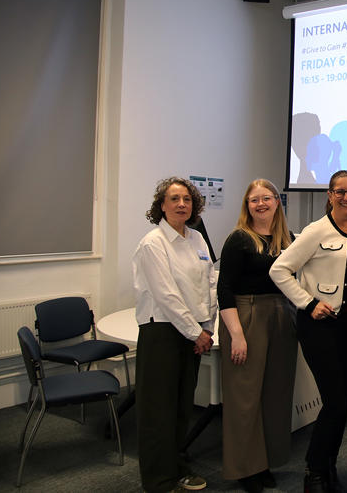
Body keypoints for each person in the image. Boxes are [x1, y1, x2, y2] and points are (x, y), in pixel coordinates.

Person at [269, 169, 347, 493]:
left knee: (342, 398)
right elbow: (280, 270)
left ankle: (328, 464)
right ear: (329, 195)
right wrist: (308, 302)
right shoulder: (315, 231)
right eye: (339, 191)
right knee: (335, 400)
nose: (346, 197)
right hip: (322, 326)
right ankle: (314, 470)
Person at [132, 176, 217, 493]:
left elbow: (209, 284)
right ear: (162, 206)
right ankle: (158, 480)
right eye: (174, 199)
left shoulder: (196, 239)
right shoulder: (153, 243)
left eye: (187, 200)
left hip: (193, 331)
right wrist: (197, 332)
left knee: (182, 406)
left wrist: (207, 328)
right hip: (162, 333)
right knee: (158, 410)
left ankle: (178, 467)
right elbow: (167, 296)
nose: (182, 204)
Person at [217, 180, 296, 492]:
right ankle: (245, 468)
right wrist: (236, 335)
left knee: (275, 394)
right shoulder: (239, 239)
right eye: (254, 200)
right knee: (244, 397)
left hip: (280, 315)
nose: (261, 204)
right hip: (246, 315)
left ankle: (265, 462)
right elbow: (225, 289)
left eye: (266, 198)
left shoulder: (287, 240)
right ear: (246, 205)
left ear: (277, 202)